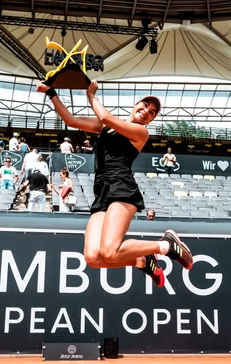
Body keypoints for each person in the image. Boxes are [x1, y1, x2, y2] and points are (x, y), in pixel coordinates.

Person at [36, 79, 193, 288]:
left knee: (110, 251)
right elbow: (71, 120)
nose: (147, 111)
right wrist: (51, 93)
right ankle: (143, 261)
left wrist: (91, 95)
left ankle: (166, 245)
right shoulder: (105, 127)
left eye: (152, 112)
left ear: (150, 121)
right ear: (135, 105)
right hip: (101, 191)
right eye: (145, 105)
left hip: (122, 187)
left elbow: (105, 116)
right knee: (93, 257)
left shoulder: (140, 133)